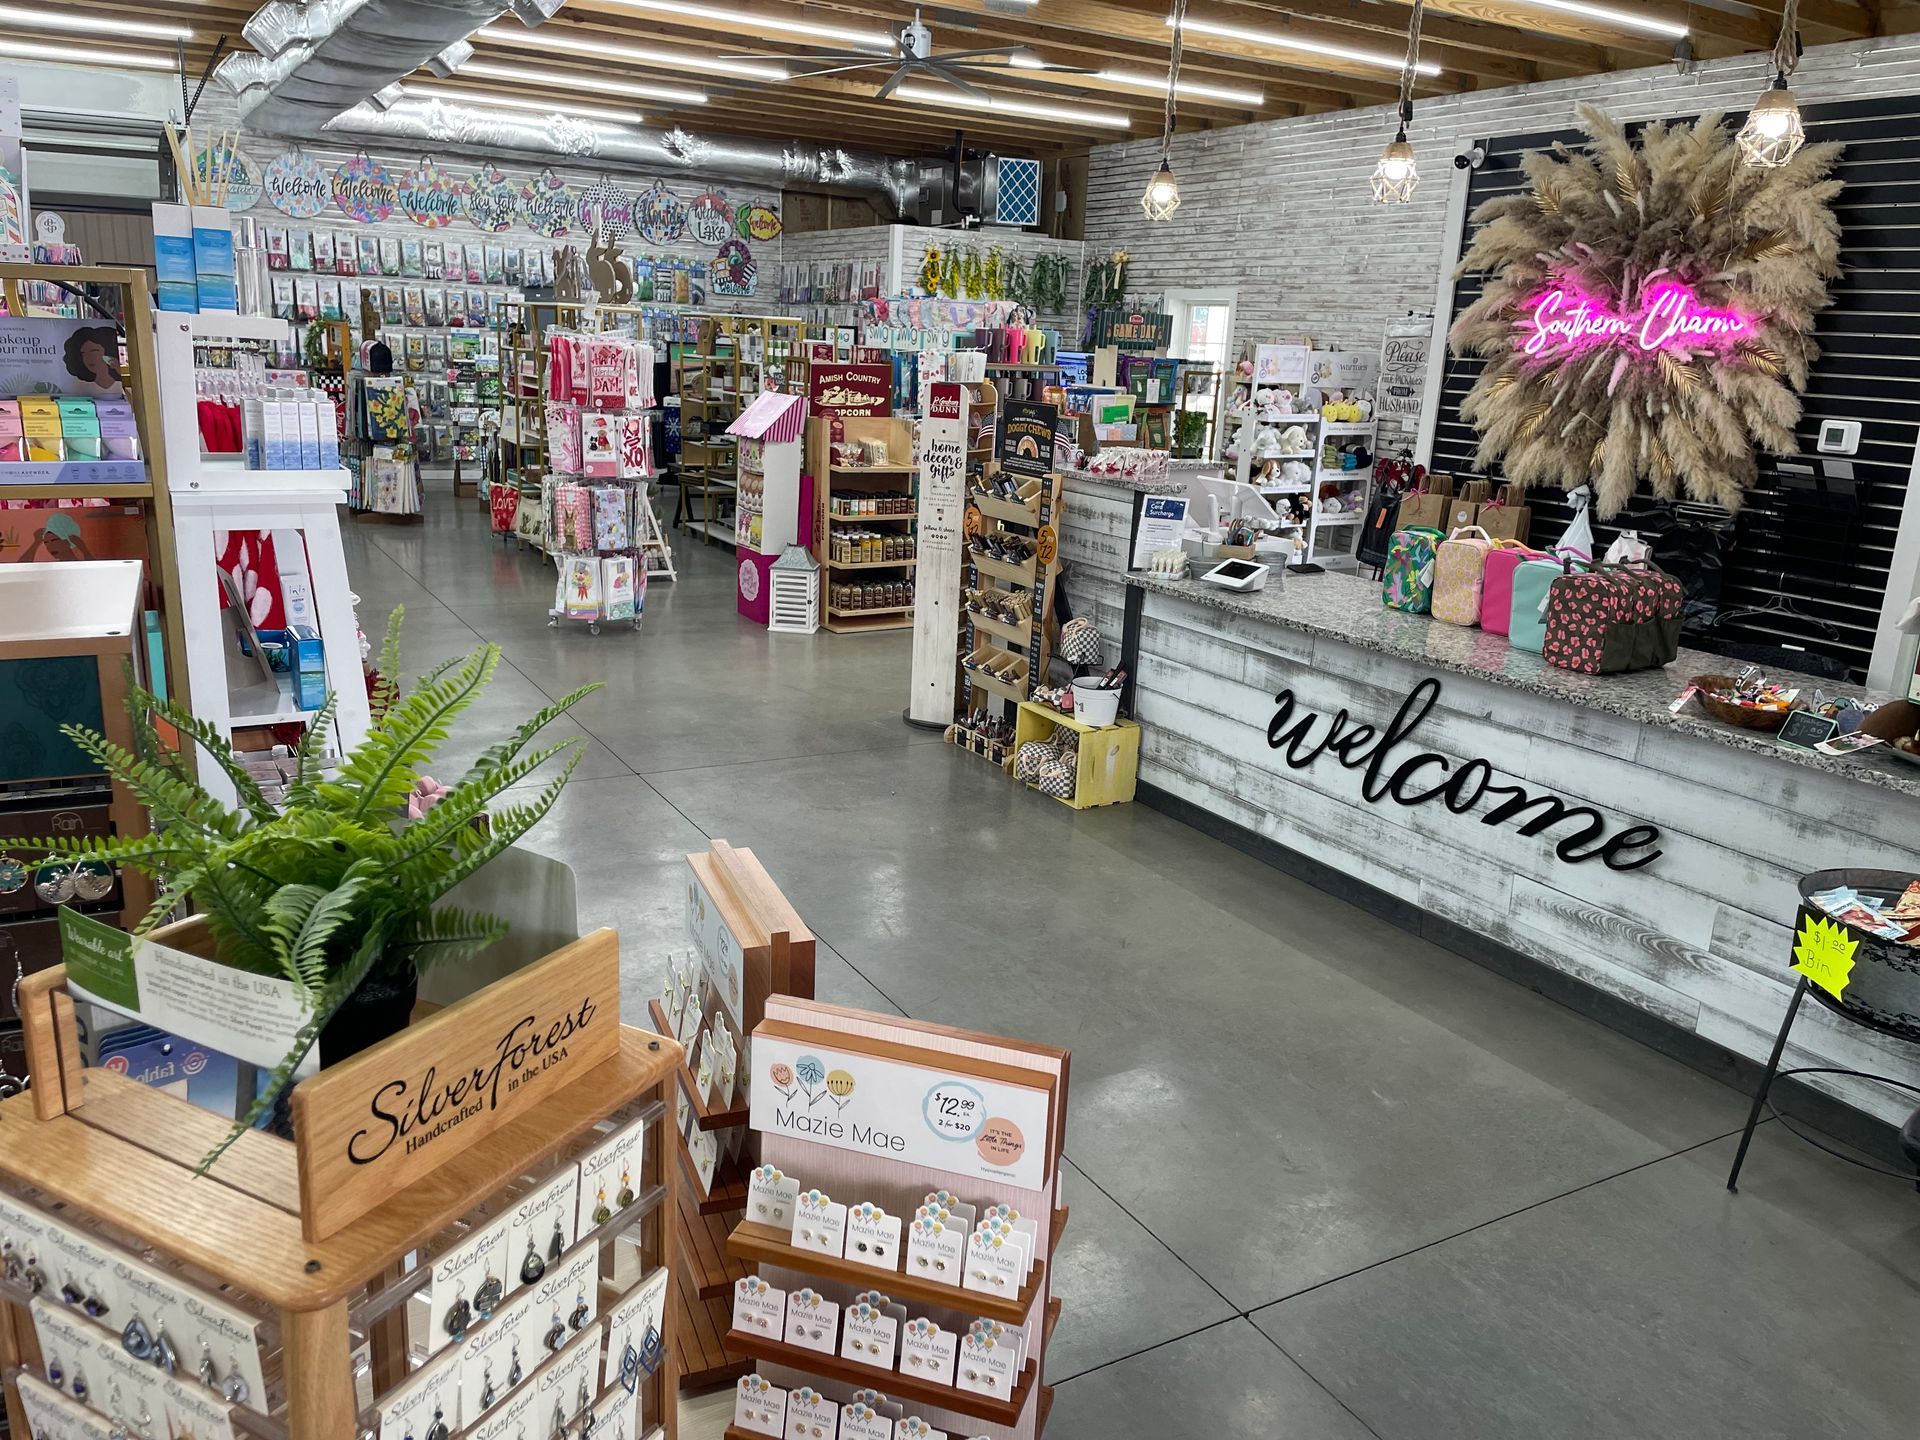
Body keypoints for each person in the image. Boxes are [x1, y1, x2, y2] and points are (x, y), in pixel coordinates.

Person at [62, 325, 122, 396]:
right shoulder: (78, 388)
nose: (88, 357)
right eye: (83, 353)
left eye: (94, 351)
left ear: (107, 352)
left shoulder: (120, 385)